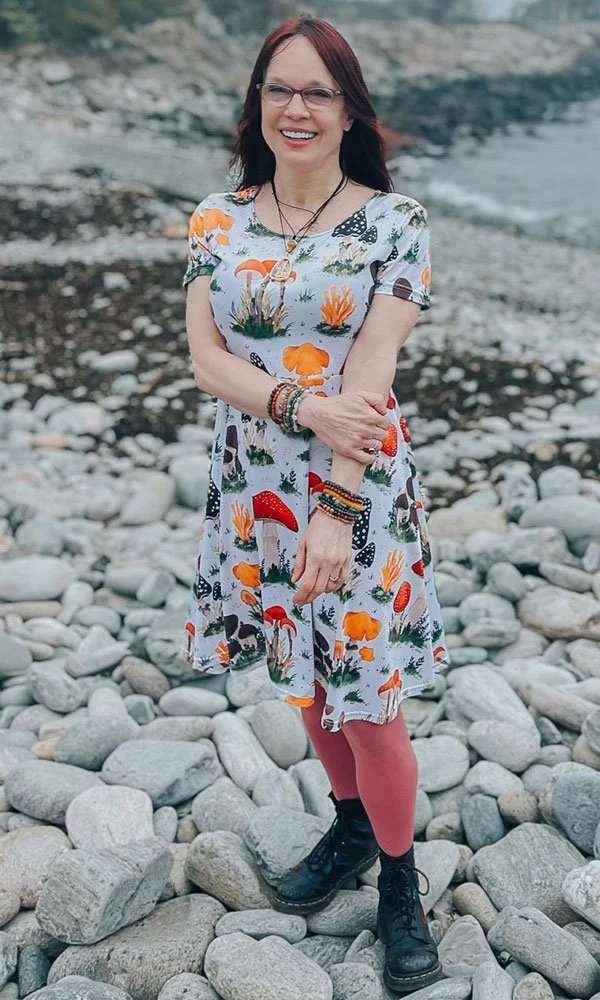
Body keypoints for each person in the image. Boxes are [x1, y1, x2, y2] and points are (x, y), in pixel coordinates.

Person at [181, 14, 449, 995]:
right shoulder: (218, 217)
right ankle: (348, 825)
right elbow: (208, 360)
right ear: (258, 104)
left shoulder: (395, 221)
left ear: (347, 110)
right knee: (299, 673)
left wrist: (335, 508)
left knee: (369, 698)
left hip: (357, 487)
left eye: (318, 93)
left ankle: (402, 884)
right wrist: (293, 400)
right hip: (253, 484)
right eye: (279, 90)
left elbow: (372, 374)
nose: (296, 108)